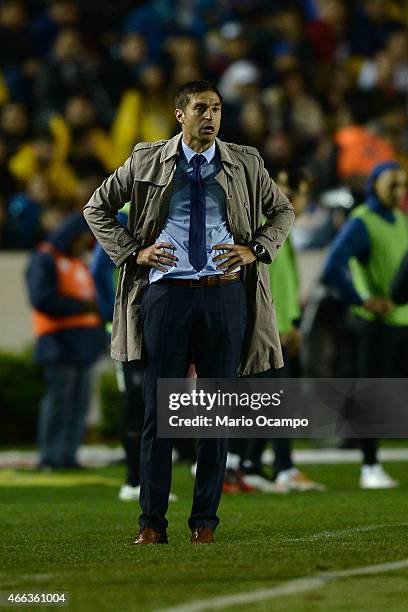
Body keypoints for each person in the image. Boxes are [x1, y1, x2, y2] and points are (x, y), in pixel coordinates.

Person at [84, 80, 294, 544]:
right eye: (201, 108)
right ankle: (151, 524)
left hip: (224, 294)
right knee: (160, 413)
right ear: (180, 114)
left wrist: (256, 248)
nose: (210, 117)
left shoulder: (246, 162)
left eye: (216, 109)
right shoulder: (146, 160)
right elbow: (96, 208)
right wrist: (131, 252)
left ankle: (204, 523)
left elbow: (282, 212)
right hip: (168, 295)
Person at [323, 160, 408, 489]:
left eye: (402, 185)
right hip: (374, 324)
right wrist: (361, 300)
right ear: (374, 186)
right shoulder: (362, 222)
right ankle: (369, 466)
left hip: (402, 320)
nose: (399, 191)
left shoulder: (401, 220)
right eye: (392, 185)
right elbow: (333, 266)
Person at [90, 203, 178, 503]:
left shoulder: (162, 202)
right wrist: (113, 316)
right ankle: (133, 479)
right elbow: (100, 270)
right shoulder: (127, 213)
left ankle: (150, 480)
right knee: (135, 397)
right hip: (128, 321)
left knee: (157, 396)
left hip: (158, 314)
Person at [26, 213, 104, 470]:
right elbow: (42, 298)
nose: (84, 244)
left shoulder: (78, 263)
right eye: (82, 239)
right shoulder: (45, 258)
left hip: (83, 346)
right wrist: (81, 306)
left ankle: (68, 456)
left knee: (78, 407)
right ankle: (49, 458)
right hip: (58, 344)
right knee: (58, 404)